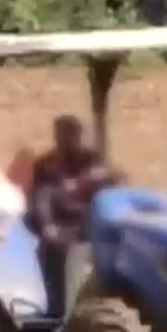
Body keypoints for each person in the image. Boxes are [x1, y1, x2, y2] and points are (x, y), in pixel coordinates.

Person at [29, 115, 120, 312]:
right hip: (61, 228)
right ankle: (63, 313)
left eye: (71, 134)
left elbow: (111, 187)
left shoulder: (93, 162)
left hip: (92, 227)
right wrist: (49, 227)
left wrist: (100, 178)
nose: (66, 140)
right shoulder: (46, 166)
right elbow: (41, 199)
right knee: (60, 252)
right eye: (62, 134)